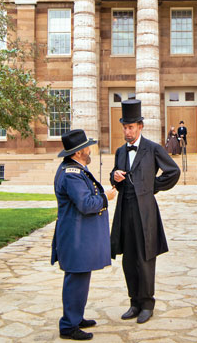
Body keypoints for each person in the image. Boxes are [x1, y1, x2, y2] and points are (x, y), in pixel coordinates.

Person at [109, 99, 181, 325]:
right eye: (124, 127)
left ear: (140, 126)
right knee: (128, 259)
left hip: (146, 211)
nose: (126, 131)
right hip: (125, 209)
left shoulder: (153, 148)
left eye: (130, 127)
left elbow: (173, 171)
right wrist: (115, 176)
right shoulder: (121, 151)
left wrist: (153, 187)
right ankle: (134, 302)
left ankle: (147, 304)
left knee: (145, 257)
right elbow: (115, 174)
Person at [51, 129, 117, 341]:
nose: (90, 150)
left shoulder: (75, 170)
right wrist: (106, 198)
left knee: (81, 278)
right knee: (76, 279)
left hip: (78, 236)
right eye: (87, 147)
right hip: (75, 237)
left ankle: (75, 317)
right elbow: (86, 204)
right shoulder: (72, 174)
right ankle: (69, 325)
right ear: (78, 152)